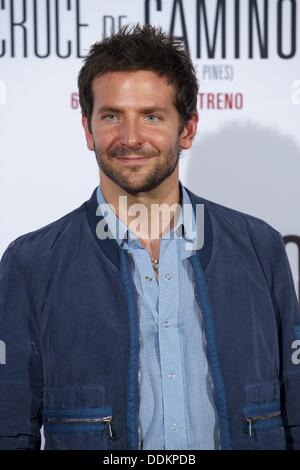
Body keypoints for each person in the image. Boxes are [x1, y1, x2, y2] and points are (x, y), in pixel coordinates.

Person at [0, 24, 299, 451]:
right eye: (111, 116)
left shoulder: (259, 248)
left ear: (188, 129)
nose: (130, 138)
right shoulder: (30, 263)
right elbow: (9, 428)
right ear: (88, 130)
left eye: (152, 116)